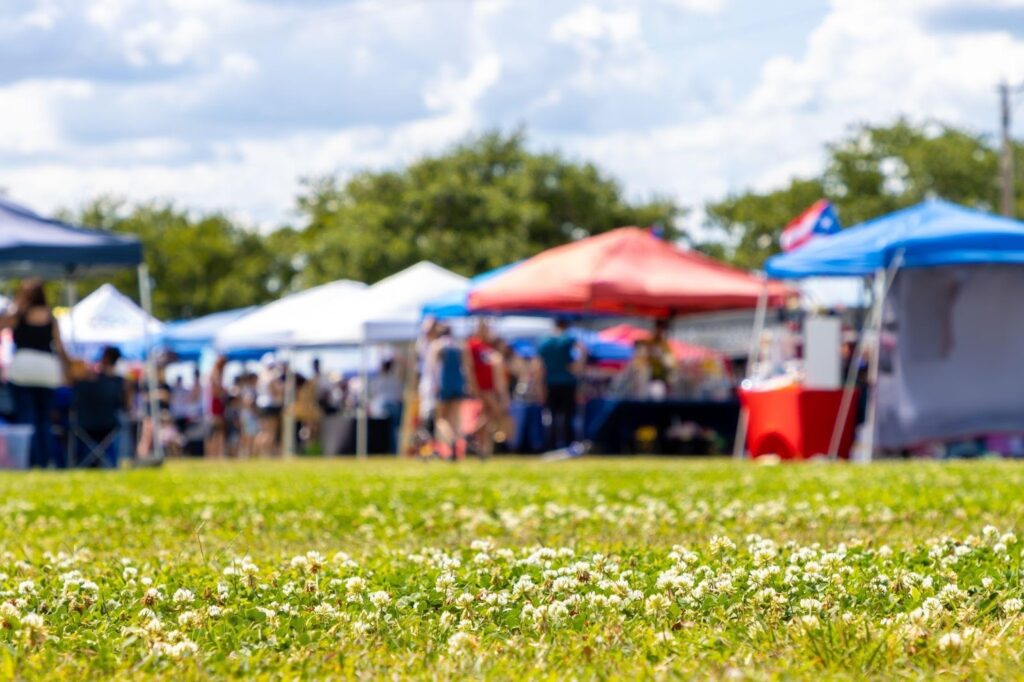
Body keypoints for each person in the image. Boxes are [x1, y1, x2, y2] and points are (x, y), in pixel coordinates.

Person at [0, 279, 68, 468]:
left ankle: (30, 461)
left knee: (27, 418)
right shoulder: (50, 316)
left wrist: (16, 305)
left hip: (23, 370)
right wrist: (68, 369)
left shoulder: (18, 314)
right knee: (44, 420)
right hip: (47, 371)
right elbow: (60, 347)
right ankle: (46, 461)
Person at [73, 346, 129, 468]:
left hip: (83, 425)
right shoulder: (120, 383)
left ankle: (84, 463)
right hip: (110, 425)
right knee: (122, 423)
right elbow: (126, 406)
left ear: (106, 358)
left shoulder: (86, 380)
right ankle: (111, 463)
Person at [537, 317, 586, 451]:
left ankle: (551, 445)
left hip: (550, 383)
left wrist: (540, 388)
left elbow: (539, 367)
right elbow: (582, 351)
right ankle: (569, 444)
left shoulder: (544, 342)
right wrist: (578, 367)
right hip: (568, 383)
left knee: (551, 417)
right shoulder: (568, 340)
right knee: (568, 416)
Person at [428, 324, 470, 460]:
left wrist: (434, 387)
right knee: (454, 418)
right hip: (458, 384)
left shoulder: (437, 345)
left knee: (440, 419)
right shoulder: (459, 346)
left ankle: (451, 442)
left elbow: (433, 369)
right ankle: (457, 448)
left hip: (444, 384)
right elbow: (466, 368)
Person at [465, 319, 506, 457]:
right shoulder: (472, 345)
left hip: (490, 386)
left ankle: (484, 450)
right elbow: (469, 367)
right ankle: (472, 434)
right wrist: (473, 386)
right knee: (497, 412)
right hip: (482, 386)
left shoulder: (486, 346)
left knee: (487, 416)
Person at [373, 358, 404, 455]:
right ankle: (393, 450)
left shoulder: (379, 379)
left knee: (382, 430)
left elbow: (375, 394)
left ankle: (386, 450)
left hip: (382, 406)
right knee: (394, 430)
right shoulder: (395, 380)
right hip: (394, 406)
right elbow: (399, 395)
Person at [204, 355, 228, 459]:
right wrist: (224, 392)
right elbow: (215, 392)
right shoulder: (215, 374)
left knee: (216, 431)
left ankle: (215, 454)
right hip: (215, 404)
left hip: (216, 404)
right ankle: (214, 454)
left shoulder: (214, 374)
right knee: (215, 430)